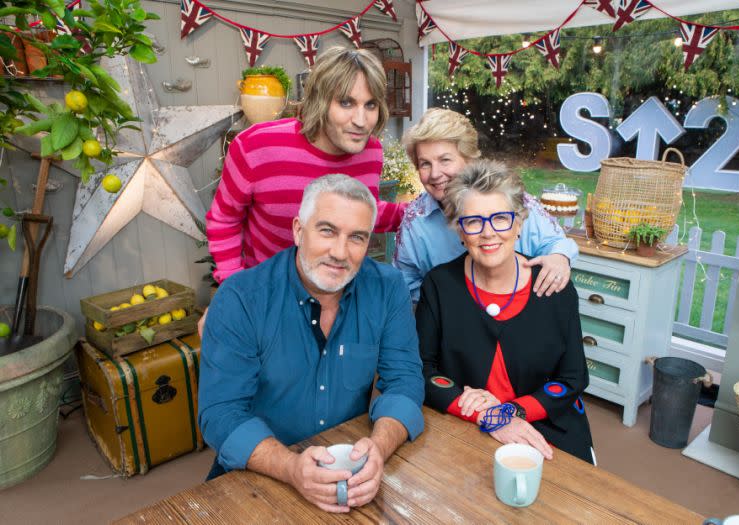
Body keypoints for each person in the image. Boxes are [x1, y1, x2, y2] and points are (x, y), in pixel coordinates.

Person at [199, 175, 425, 513]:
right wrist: (290, 467)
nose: (339, 253)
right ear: (297, 230)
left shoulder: (387, 288)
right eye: (327, 231)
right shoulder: (241, 298)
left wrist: (379, 448)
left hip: (350, 472)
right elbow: (220, 412)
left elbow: (405, 381)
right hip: (260, 474)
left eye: (357, 237)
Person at [415, 160, 594, 464]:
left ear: (519, 223)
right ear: (460, 229)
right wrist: (486, 413)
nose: (488, 233)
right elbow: (424, 369)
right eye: (473, 221)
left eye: (501, 218)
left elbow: (572, 379)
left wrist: (509, 413)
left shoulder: (554, 288)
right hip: (464, 420)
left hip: (545, 424)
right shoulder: (439, 285)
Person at [205, 46, 404, 284]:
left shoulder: (371, 152)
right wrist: (233, 289)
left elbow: (359, 213)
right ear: (319, 101)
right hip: (269, 295)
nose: (361, 121)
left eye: (370, 105)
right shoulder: (255, 146)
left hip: (336, 296)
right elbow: (224, 219)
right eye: (346, 103)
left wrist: (425, 212)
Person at [394, 107, 578, 303]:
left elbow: (556, 243)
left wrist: (559, 257)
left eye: (445, 160)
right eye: (425, 164)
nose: (434, 174)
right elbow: (405, 282)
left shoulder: (509, 200)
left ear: (469, 159)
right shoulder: (416, 220)